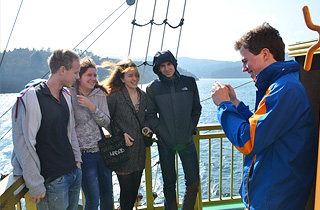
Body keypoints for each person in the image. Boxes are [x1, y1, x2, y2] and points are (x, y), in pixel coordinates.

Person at [211, 23, 318, 210]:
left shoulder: (284, 89)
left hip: (276, 199)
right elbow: (262, 127)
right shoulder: (282, 85)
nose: (244, 68)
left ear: (265, 54)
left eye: (245, 61)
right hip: (276, 195)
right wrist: (236, 104)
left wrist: (224, 105)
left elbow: (248, 141)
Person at [11, 49, 82, 209]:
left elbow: (70, 132)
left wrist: (77, 162)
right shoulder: (30, 98)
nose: (78, 77)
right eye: (75, 72)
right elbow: (22, 143)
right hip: (51, 182)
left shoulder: (66, 96)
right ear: (62, 70)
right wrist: (35, 183)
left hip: (73, 173)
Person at [145, 50, 202, 210]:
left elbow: (196, 108)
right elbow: (150, 115)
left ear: (174, 64)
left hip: (187, 142)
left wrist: (190, 127)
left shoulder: (189, 82)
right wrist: (160, 132)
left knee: (193, 182)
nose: (166, 68)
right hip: (165, 143)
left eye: (169, 64)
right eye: (162, 66)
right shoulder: (152, 88)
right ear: (157, 69)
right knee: (169, 185)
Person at [101, 59, 151, 210]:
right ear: (122, 78)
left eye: (136, 75)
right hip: (123, 151)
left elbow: (145, 118)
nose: (134, 78)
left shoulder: (143, 96)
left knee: (134, 191)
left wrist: (147, 127)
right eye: (130, 76)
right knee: (126, 191)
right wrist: (119, 134)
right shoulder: (115, 97)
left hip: (139, 150)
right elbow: (106, 120)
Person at [69, 56, 113, 210]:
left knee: (108, 196)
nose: (93, 78)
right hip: (84, 155)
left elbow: (106, 122)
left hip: (102, 152)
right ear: (78, 76)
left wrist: (92, 107)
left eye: (95, 75)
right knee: (93, 200)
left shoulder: (99, 94)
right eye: (89, 75)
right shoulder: (69, 94)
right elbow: (69, 128)